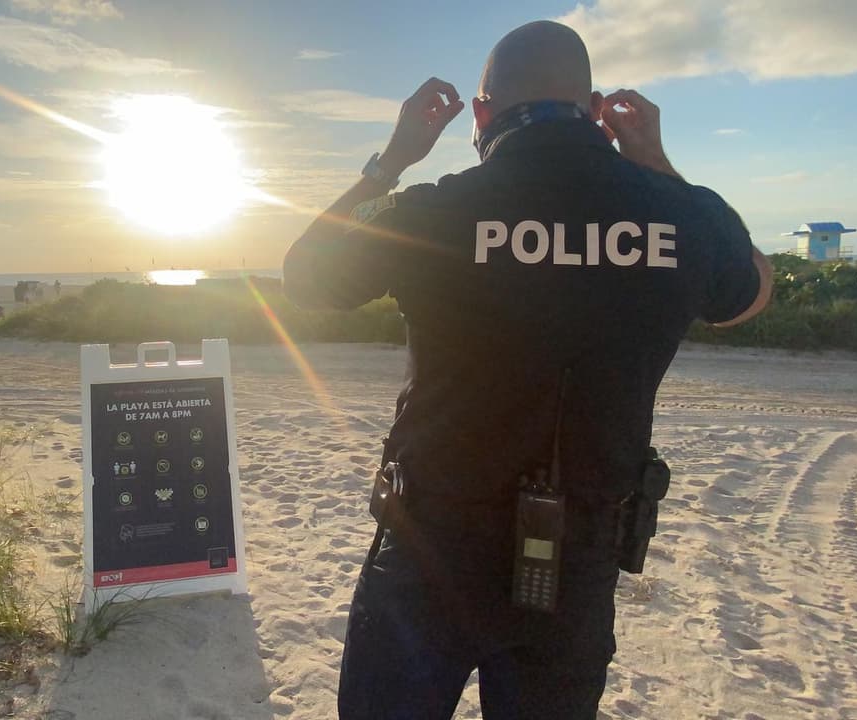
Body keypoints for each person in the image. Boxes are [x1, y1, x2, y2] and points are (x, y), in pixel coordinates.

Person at [283, 20, 773, 720]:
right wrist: (659, 166)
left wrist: (393, 157)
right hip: (578, 560)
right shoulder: (680, 218)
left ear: (481, 115)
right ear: (598, 111)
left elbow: (304, 278)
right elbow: (750, 292)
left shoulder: (434, 212)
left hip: (430, 548)